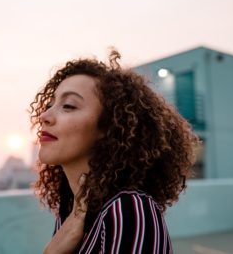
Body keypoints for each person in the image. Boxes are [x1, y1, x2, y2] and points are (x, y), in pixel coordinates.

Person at [29, 50, 199, 254]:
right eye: (49, 104)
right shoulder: (71, 212)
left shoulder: (130, 209)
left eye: (68, 106)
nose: (45, 116)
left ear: (109, 128)